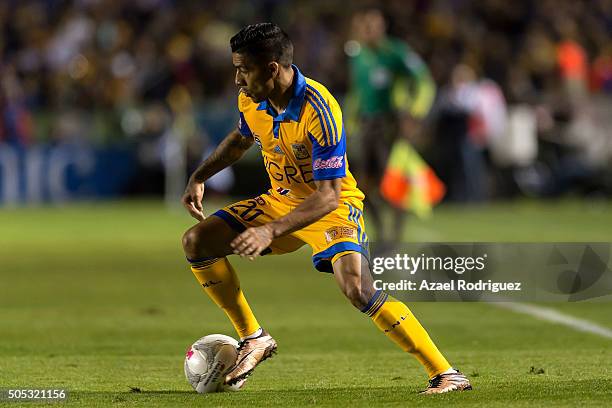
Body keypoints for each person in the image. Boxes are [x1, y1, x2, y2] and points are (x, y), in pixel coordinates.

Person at [180, 23, 471, 394]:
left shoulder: (320, 109)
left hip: (330, 208)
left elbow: (329, 195)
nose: (238, 79)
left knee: (357, 288)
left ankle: (446, 373)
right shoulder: (251, 99)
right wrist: (200, 175)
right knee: (196, 242)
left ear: (271, 68)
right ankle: (253, 337)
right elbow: (241, 139)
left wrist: (271, 230)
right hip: (280, 200)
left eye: (244, 69)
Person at [346, 9, 436, 244]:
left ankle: (394, 238)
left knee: (393, 182)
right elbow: (357, 92)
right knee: (362, 186)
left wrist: (414, 114)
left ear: (382, 27)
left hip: (390, 123)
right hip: (367, 125)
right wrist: (349, 122)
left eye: (373, 25)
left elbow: (424, 82)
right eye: (365, 26)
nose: (368, 30)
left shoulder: (397, 52)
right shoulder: (357, 55)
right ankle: (380, 235)